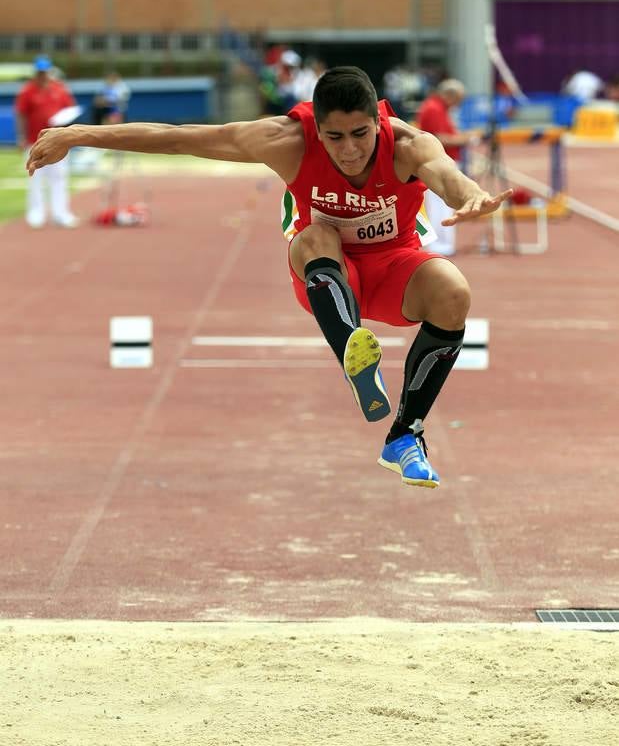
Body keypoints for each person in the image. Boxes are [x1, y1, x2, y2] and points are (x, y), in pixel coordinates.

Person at [26, 66, 511, 489]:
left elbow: (446, 174)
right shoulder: (284, 140)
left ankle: (404, 437)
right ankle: (352, 350)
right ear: (316, 129)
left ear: (379, 124)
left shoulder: (408, 145)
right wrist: (78, 134)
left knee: (453, 290)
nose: (349, 151)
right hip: (326, 277)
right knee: (315, 237)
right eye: (334, 137)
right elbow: (179, 136)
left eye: (361, 134)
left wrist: (469, 195)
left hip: (391, 269)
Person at [15, 54, 79, 229]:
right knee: (35, 176)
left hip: (58, 141)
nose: (42, 75)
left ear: (49, 72)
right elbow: (21, 115)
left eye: (45, 72)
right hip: (34, 141)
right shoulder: (27, 91)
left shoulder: (60, 89)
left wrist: (68, 131)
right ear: (36, 72)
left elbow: (71, 110)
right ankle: (36, 213)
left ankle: (61, 213)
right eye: (40, 72)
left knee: (59, 177)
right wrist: (20, 137)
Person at [416, 78, 477, 257]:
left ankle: (441, 243)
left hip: (440, 163)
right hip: (438, 165)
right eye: (458, 100)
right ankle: (438, 244)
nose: (458, 105)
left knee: (442, 205)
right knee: (439, 205)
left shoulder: (438, 108)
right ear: (450, 96)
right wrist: (466, 139)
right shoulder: (434, 109)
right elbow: (439, 138)